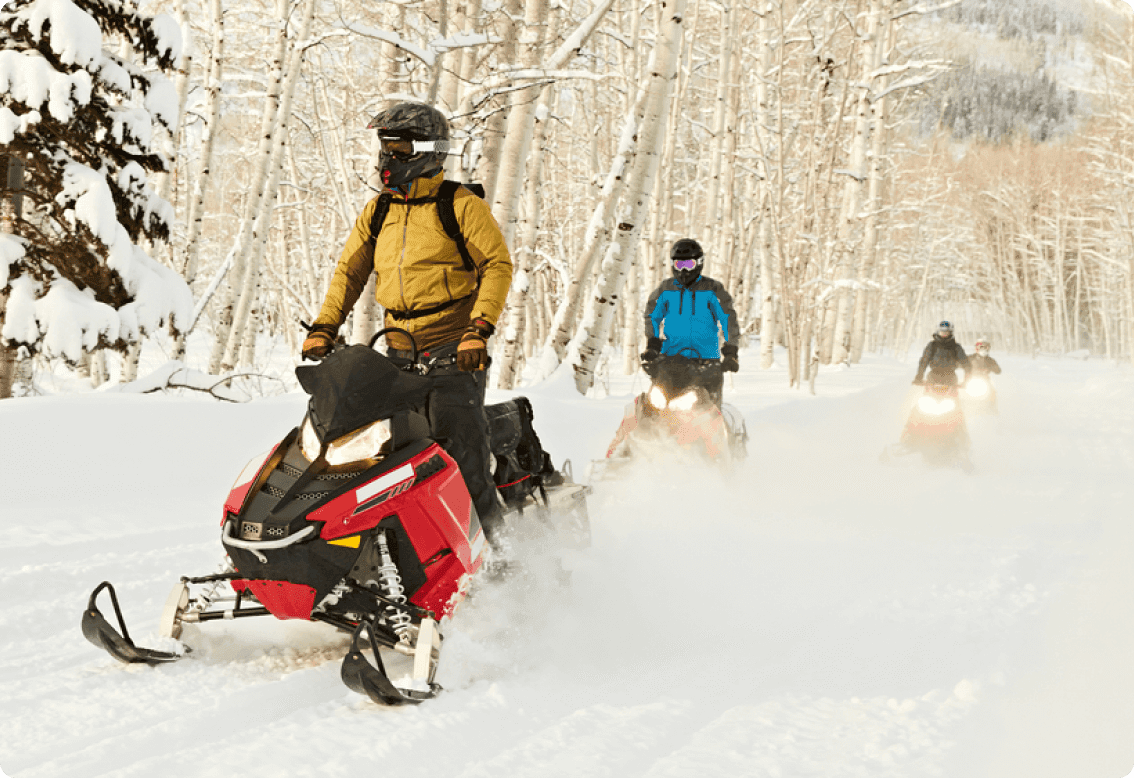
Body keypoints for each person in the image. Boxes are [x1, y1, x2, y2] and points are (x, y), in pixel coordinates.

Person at [301, 101, 512, 542]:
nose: (387, 158)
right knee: (366, 455)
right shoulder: (379, 211)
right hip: (395, 353)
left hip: (454, 354)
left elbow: (496, 265)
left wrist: (478, 330)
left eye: (397, 148)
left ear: (427, 151)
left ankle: (501, 557)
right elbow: (350, 271)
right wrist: (325, 326)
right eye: (384, 148)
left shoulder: (459, 206)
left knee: (462, 456)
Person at [640, 238, 740, 405]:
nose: (684, 270)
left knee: (709, 413)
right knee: (652, 406)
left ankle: (720, 431)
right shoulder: (666, 289)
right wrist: (653, 344)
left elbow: (728, 318)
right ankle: (639, 431)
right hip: (670, 361)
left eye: (689, 264)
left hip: (707, 364)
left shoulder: (713, 289)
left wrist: (731, 351)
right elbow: (652, 315)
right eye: (679, 265)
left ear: (699, 263)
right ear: (672, 265)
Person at [913, 320, 969, 386]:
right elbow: (924, 361)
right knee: (924, 393)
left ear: (950, 332)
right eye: (941, 331)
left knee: (955, 393)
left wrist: (967, 379)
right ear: (938, 332)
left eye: (946, 332)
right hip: (933, 376)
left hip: (951, 378)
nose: (944, 334)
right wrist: (919, 377)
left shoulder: (956, 347)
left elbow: (965, 362)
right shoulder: (932, 346)